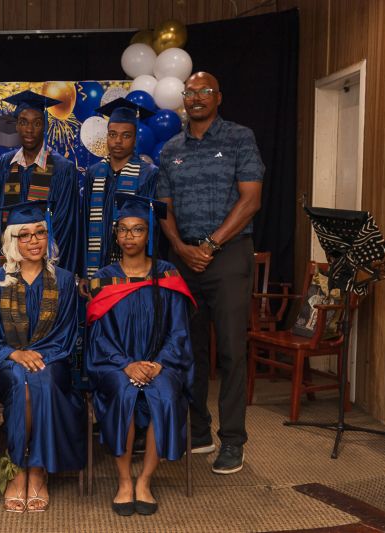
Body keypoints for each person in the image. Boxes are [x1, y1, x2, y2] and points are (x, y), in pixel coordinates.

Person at [157, 71, 264, 475]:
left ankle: (233, 439)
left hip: (229, 255)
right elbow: (163, 206)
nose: (197, 97)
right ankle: (198, 431)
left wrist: (211, 245)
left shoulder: (239, 138)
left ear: (219, 97)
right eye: (191, 92)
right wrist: (181, 246)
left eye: (205, 91)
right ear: (183, 98)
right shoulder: (171, 148)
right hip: (183, 258)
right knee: (189, 349)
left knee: (232, 350)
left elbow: (251, 200)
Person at [0, 200, 85, 513]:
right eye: (25, 234)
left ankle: (34, 469)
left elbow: (66, 335)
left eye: (40, 233)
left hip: (52, 362)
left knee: (39, 378)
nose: (34, 241)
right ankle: (21, 467)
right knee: (21, 380)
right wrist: (14, 353)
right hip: (4, 363)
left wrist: (36, 357)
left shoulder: (64, 280)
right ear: (12, 240)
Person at [85, 192, 194, 517]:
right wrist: (126, 365)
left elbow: (179, 331)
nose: (129, 236)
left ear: (149, 234)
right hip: (115, 366)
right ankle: (124, 482)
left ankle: (145, 480)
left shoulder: (168, 276)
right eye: (123, 229)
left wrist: (159, 364)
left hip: (162, 364)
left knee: (165, 394)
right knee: (124, 393)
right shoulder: (104, 279)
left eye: (137, 230)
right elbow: (99, 337)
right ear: (115, 234)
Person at [0, 90, 83, 274]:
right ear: (17, 126)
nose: (29, 129)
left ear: (45, 126)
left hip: (46, 265)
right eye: (23, 122)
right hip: (10, 263)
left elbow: (64, 224)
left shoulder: (62, 169)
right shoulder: (6, 164)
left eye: (37, 123)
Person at [82, 98, 158, 286]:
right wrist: (83, 272)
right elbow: (84, 224)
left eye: (126, 135)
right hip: (96, 264)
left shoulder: (148, 174)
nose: (118, 141)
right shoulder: (94, 173)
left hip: (133, 268)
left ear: (135, 138)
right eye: (112, 134)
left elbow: (152, 227)